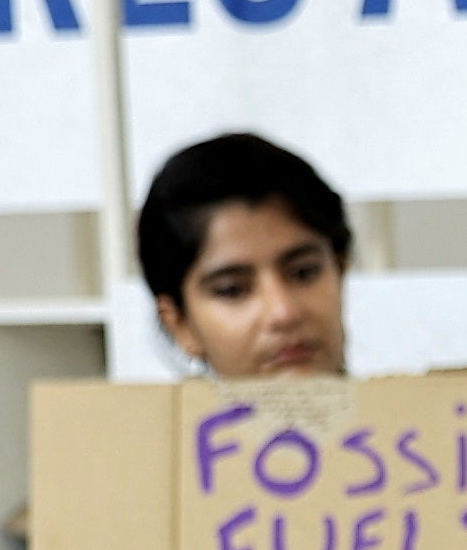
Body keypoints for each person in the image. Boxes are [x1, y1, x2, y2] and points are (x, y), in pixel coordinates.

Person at [137, 133, 352, 381]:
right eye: (232, 290)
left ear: (340, 271)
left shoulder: (404, 410)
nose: (283, 312)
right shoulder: (112, 420)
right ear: (180, 325)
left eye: (304, 273)